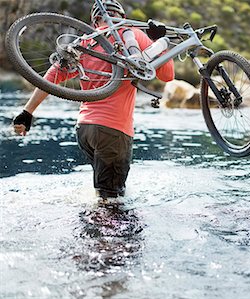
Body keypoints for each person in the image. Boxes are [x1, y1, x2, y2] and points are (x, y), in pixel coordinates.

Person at [12, 0, 175, 199]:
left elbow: (51, 77)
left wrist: (27, 112)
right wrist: (160, 43)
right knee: (111, 202)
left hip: (84, 130)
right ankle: (94, 229)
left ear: (94, 21)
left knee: (105, 192)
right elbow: (167, 76)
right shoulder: (131, 33)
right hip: (113, 130)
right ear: (122, 16)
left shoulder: (84, 43)